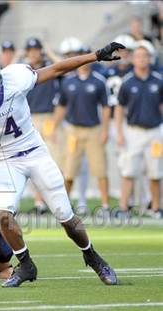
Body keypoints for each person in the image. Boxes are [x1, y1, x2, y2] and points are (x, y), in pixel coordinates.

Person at [0, 42, 125, 287]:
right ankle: (26, 264)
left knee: (66, 218)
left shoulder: (16, 78)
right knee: (1, 215)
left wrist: (95, 56)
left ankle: (92, 257)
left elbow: (57, 68)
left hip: (35, 152)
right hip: (7, 157)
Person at [53, 47, 112, 215]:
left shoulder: (99, 81)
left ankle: (106, 206)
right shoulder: (68, 81)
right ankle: (64, 207)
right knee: (69, 169)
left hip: (94, 129)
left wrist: (105, 130)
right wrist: (54, 128)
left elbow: (106, 107)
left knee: (100, 169)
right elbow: (61, 106)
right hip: (73, 131)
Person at [115, 45, 163, 219]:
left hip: (155, 132)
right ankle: (123, 207)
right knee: (128, 171)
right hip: (133, 132)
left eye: (145, 56)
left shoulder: (158, 81)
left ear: (149, 58)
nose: (142, 59)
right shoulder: (127, 82)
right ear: (133, 59)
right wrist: (119, 132)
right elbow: (119, 108)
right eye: (138, 56)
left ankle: (156, 208)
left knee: (156, 172)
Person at [25, 38, 63, 214]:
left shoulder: (49, 67)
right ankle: (39, 202)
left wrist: (49, 53)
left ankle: (53, 200)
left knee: (53, 159)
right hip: (29, 118)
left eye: (36, 49)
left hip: (48, 118)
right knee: (33, 161)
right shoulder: (23, 69)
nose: (33, 53)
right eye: (30, 50)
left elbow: (65, 69)